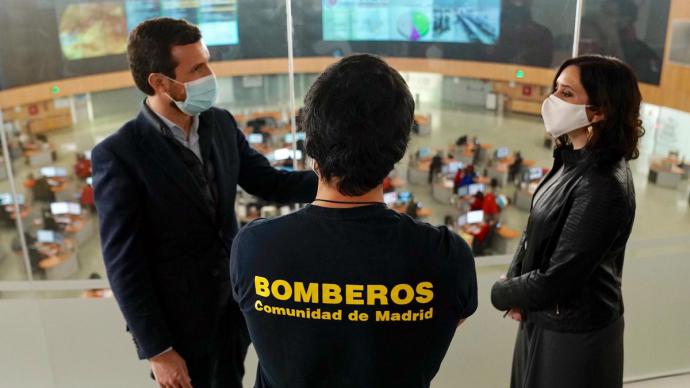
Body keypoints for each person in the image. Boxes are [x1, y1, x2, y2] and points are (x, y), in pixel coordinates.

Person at [93, 18, 317, 388]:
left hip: (233, 312)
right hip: (179, 331)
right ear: (160, 82)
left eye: (207, 62)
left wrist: (335, 178)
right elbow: (123, 263)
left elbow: (268, 182)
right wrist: (158, 350)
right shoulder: (120, 155)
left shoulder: (220, 124)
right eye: (197, 68)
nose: (210, 74)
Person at [230, 54, 478, 388]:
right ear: (399, 148)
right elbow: (444, 321)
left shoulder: (254, 248)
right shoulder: (446, 256)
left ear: (310, 142)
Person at [491, 55, 641, 388]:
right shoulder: (570, 159)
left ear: (599, 111)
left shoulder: (603, 185)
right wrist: (518, 286)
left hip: (575, 333)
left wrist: (502, 292)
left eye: (567, 94)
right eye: (555, 89)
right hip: (543, 317)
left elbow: (559, 278)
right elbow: (534, 231)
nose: (552, 101)